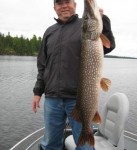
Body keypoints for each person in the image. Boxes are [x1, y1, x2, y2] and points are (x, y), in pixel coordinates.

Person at [32, 0, 115, 150]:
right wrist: (38, 92)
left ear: (75, 5)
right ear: (54, 8)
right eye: (59, 3)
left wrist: (104, 20)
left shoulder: (85, 25)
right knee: (50, 143)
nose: (64, 6)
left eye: (67, 2)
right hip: (52, 98)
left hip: (79, 99)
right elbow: (42, 65)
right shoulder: (49, 31)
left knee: (85, 147)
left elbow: (109, 47)